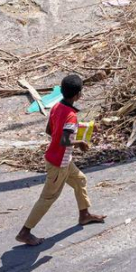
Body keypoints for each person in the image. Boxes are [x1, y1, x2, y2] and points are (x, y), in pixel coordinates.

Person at [15, 74, 105, 246]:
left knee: (80, 180)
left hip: (61, 159)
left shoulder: (56, 106)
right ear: (78, 94)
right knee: (48, 198)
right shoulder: (71, 115)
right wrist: (80, 143)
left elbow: (50, 130)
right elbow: (65, 140)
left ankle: (84, 214)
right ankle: (25, 232)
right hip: (59, 164)